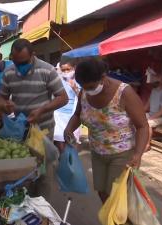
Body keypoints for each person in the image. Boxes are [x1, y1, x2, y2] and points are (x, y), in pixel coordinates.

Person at [64, 58, 149, 203]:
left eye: (91, 86)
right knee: (102, 193)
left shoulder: (124, 93)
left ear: (103, 77)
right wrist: (69, 128)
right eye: (84, 87)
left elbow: (142, 126)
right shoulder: (84, 93)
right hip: (97, 152)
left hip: (121, 154)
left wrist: (138, 154)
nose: (88, 90)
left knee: (115, 197)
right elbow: (78, 114)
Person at [0, 39, 68, 137]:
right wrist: (4, 104)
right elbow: (0, 98)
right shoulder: (8, 72)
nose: (20, 66)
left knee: (42, 153)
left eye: (24, 62)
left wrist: (42, 110)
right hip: (20, 128)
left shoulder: (48, 70)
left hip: (43, 129)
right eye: (16, 62)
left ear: (32, 55)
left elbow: (63, 98)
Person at [54, 60, 80, 151]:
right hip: (59, 114)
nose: (66, 72)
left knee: (72, 141)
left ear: (74, 68)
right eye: (63, 70)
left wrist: (75, 88)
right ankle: (63, 160)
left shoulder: (79, 80)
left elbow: (83, 98)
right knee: (59, 140)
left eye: (68, 69)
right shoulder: (58, 80)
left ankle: (72, 161)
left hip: (73, 116)